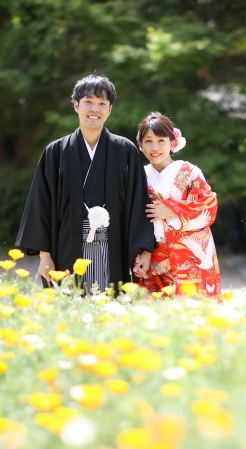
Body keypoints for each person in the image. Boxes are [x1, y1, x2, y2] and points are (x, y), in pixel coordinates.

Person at [15, 73, 155, 293]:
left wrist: (144, 250)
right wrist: (45, 255)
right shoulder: (56, 152)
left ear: (110, 109)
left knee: (110, 305)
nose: (95, 109)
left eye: (102, 104)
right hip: (68, 245)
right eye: (88, 102)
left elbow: (138, 202)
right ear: (76, 106)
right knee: (72, 306)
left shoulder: (125, 150)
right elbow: (41, 205)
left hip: (113, 246)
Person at [136, 112, 222, 299]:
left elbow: (208, 207)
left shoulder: (189, 172)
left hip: (192, 257)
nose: (155, 147)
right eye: (148, 141)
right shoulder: (139, 177)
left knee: (196, 310)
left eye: (161, 140)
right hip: (153, 256)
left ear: (172, 143)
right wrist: (141, 251)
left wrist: (171, 210)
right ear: (140, 144)